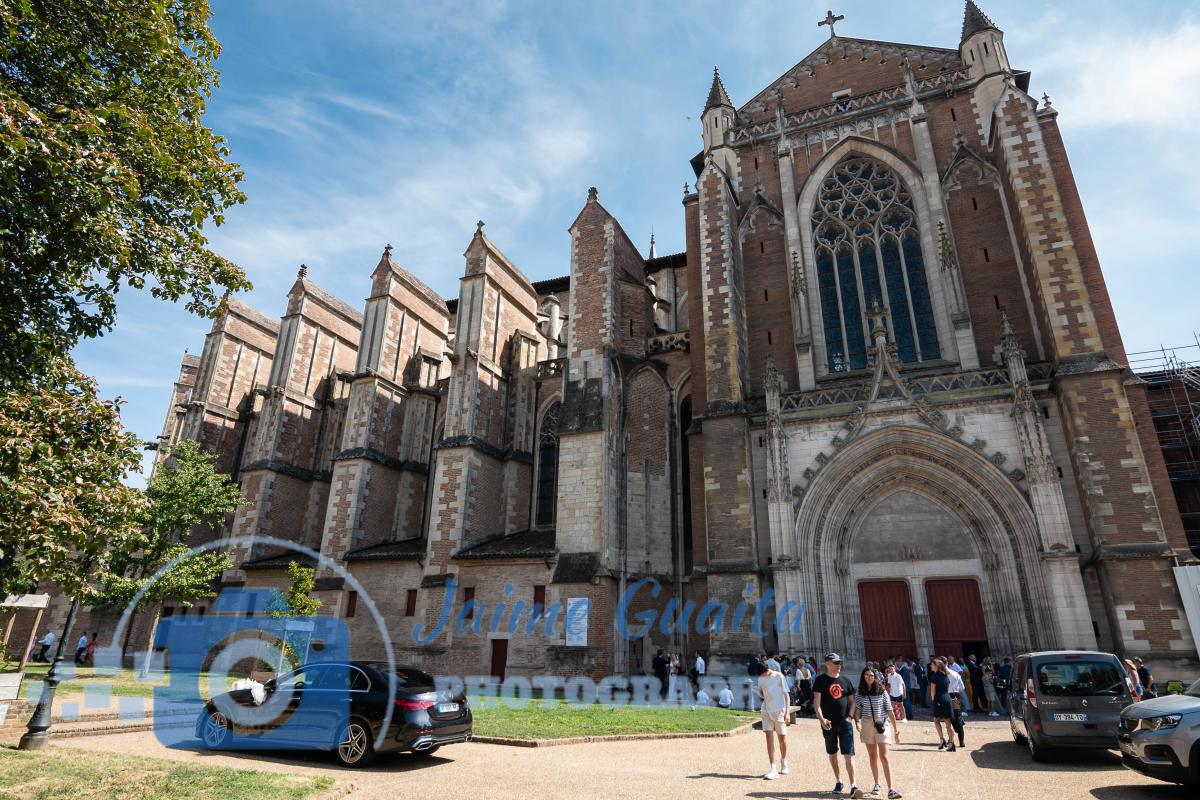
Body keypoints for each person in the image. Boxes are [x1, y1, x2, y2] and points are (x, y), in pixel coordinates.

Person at [812, 652, 861, 798]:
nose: (839, 665)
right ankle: (839, 781)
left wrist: (850, 717)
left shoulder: (846, 680)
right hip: (828, 723)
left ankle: (854, 785)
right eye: (836, 662)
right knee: (832, 753)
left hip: (844, 722)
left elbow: (853, 701)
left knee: (849, 754)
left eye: (840, 662)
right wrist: (821, 719)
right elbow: (816, 702)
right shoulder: (820, 681)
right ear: (828, 664)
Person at [853, 667, 902, 799]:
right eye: (867, 675)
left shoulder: (882, 691)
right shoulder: (860, 692)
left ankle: (891, 789)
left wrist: (896, 729)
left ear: (875, 677)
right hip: (867, 724)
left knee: (884, 757)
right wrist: (856, 721)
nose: (869, 677)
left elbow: (889, 710)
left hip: (882, 724)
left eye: (871, 675)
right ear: (863, 677)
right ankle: (877, 783)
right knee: (873, 757)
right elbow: (857, 709)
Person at [752, 659, 791, 780]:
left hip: (779, 709)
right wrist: (757, 691)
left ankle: (784, 761)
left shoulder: (778, 676)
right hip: (766, 709)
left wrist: (788, 712)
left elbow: (787, 695)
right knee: (769, 738)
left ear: (766, 670)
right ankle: (772, 768)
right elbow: (764, 694)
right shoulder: (760, 678)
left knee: (782, 738)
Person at [928, 658, 957, 752]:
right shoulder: (946, 675)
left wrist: (934, 701)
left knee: (936, 720)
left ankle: (942, 739)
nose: (930, 666)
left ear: (936, 666)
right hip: (947, 698)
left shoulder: (934, 676)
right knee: (948, 723)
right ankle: (951, 742)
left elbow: (932, 691)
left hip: (939, 699)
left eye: (932, 665)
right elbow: (947, 688)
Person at [945, 661, 967, 748]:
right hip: (955, 696)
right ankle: (961, 741)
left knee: (948, 719)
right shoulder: (956, 674)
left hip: (946, 696)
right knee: (958, 717)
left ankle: (951, 740)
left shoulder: (942, 675)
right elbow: (962, 688)